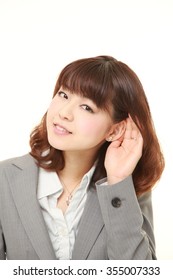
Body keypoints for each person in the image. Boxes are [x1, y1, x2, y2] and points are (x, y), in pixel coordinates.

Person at [0, 55, 164, 260]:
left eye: (87, 107)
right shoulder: (5, 179)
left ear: (115, 130)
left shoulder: (128, 187)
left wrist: (119, 181)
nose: (64, 113)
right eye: (63, 94)